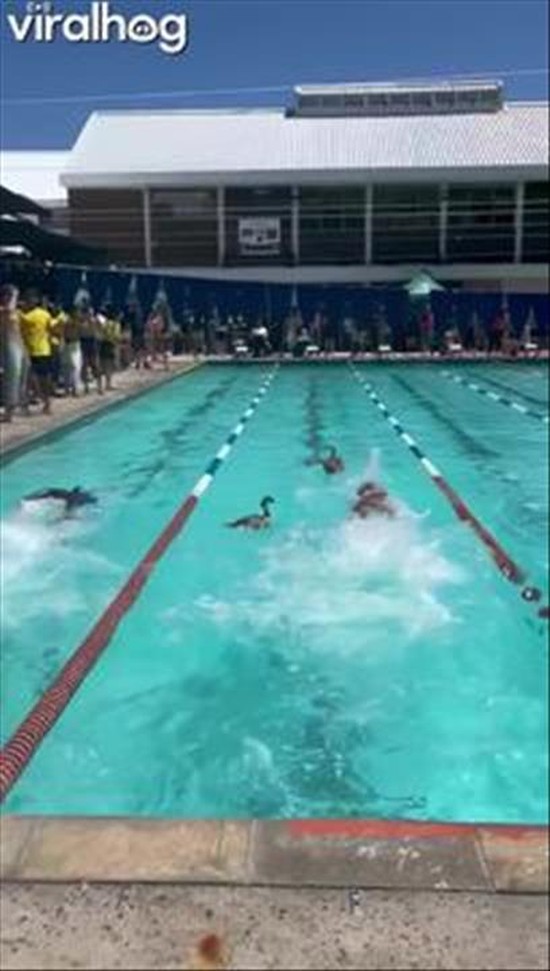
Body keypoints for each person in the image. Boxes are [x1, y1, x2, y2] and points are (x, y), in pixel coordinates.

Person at [19, 290, 54, 414]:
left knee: (41, 379)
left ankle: (45, 402)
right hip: (31, 351)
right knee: (30, 379)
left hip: (42, 351)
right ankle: (32, 403)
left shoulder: (39, 315)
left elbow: (50, 329)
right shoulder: (26, 316)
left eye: (30, 299)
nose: (29, 302)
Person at [0, 284, 29, 422]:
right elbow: (8, 310)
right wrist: (14, 294)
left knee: (20, 376)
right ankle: (8, 412)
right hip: (8, 345)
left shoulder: (16, 312)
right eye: (12, 296)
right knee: (11, 377)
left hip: (19, 345)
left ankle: (14, 407)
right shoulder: (3, 310)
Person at [22, 486, 98, 516]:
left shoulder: (65, 492)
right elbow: (94, 501)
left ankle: (30, 499)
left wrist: (33, 498)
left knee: (49, 494)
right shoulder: (85, 497)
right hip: (72, 502)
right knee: (67, 515)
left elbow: (49, 492)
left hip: (68, 499)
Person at [97, 306, 121, 390]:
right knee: (109, 365)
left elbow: (100, 334)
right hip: (111, 344)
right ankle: (108, 384)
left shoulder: (105, 323)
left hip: (103, 344)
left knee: (102, 365)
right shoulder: (116, 324)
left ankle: (100, 386)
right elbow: (116, 337)